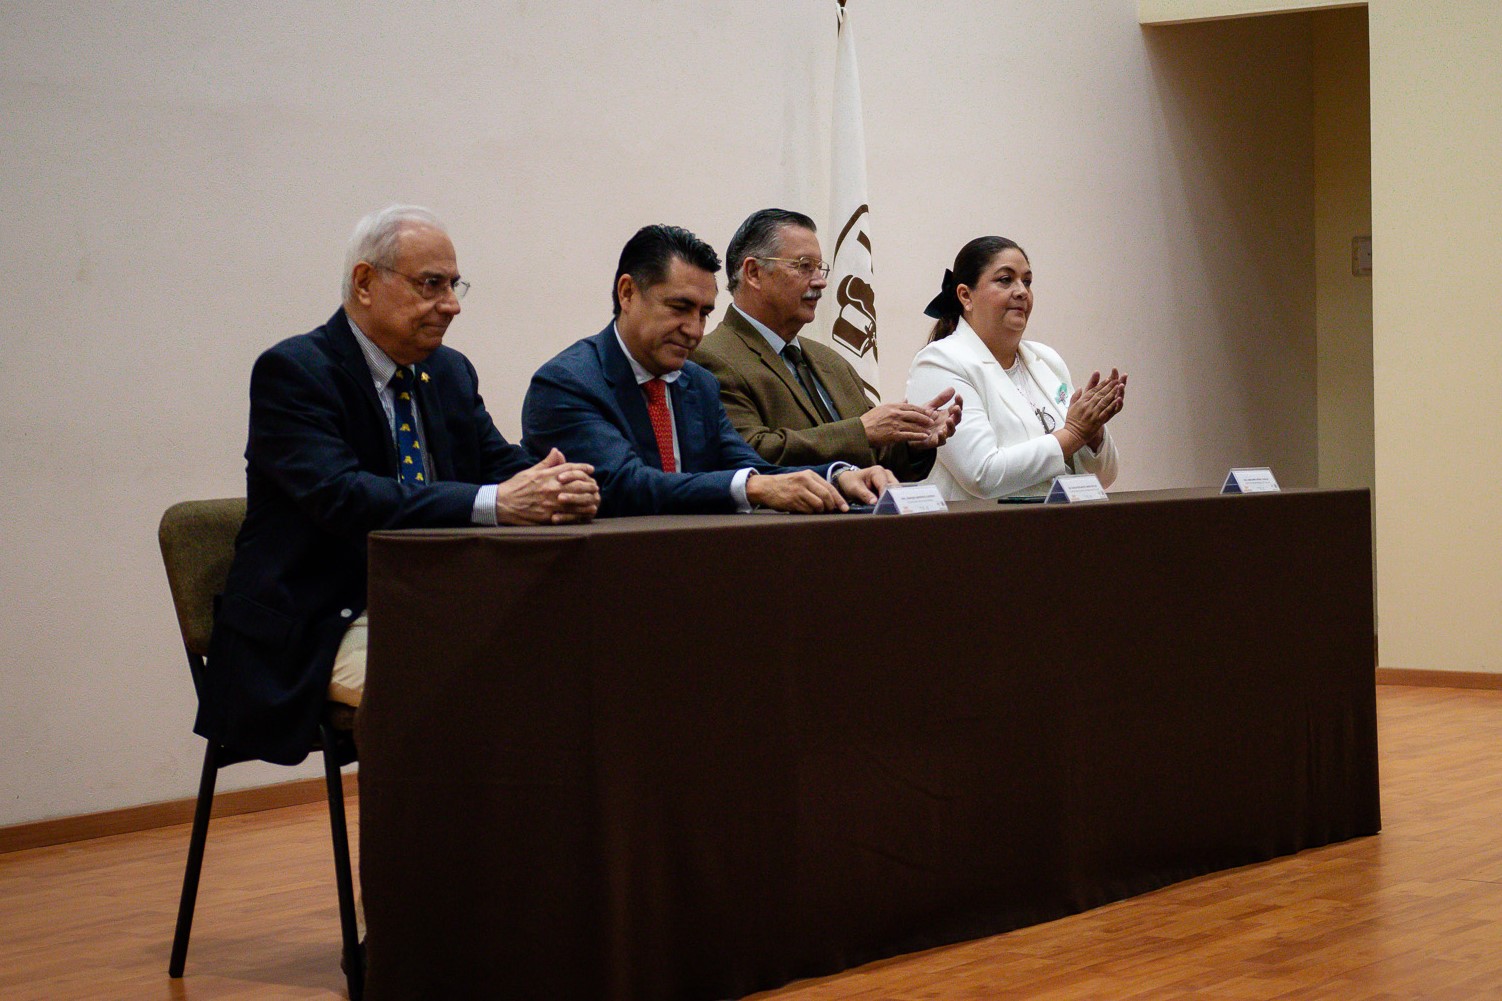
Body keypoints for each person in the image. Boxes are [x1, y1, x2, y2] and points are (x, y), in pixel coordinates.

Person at [196, 205, 600, 765]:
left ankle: (521, 850)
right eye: (431, 284)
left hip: (433, 604)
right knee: (453, 693)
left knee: (577, 666)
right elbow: (344, 496)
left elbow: (497, 461)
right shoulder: (295, 372)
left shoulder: (449, 372)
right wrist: (497, 503)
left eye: (454, 286)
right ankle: (426, 852)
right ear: (365, 282)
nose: (452, 304)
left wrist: (558, 482)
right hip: (318, 623)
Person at [521, 224, 895, 517]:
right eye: (679, 307)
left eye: (704, 313)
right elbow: (624, 485)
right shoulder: (568, 382)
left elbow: (749, 466)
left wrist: (839, 477)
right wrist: (751, 488)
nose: (695, 330)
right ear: (627, 293)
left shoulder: (696, 382)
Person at [694, 208, 962, 479]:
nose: (820, 282)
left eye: (820, 268)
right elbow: (749, 455)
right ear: (753, 273)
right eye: (803, 266)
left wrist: (911, 441)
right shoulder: (709, 358)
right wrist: (861, 431)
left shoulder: (829, 361)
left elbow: (875, 455)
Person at [905, 236, 1123, 500]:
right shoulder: (940, 361)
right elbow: (982, 475)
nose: (1022, 291)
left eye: (1027, 281)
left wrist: (1093, 434)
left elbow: (1105, 477)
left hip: (1061, 529)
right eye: (1005, 280)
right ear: (965, 295)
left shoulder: (1047, 359)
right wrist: (1073, 434)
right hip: (981, 533)